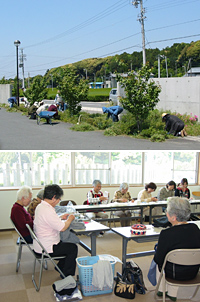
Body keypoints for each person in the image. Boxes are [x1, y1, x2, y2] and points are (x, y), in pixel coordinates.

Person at [154, 197, 200, 301]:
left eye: (167, 211)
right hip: (193, 272)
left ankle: (162, 289)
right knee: (177, 258)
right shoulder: (196, 229)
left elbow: (159, 259)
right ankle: (172, 294)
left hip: (173, 274)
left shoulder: (166, 234)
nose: (166, 213)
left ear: (173, 217)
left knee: (159, 259)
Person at [33, 184, 77, 278]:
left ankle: (60, 267)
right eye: (58, 199)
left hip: (40, 244)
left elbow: (49, 221)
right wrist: (70, 218)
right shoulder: (47, 210)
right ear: (53, 198)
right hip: (46, 247)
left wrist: (60, 217)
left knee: (67, 244)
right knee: (73, 248)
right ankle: (67, 276)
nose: (58, 202)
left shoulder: (41, 206)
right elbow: (62, 228)